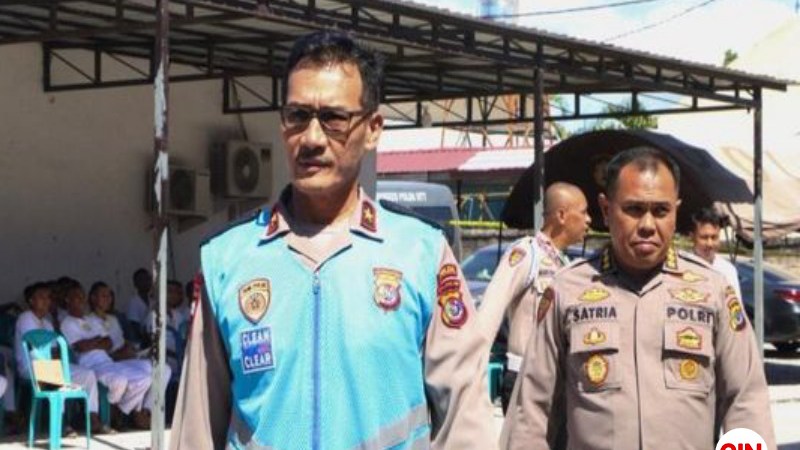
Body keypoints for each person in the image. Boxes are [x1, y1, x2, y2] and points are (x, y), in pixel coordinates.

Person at [170, 30, 495, 450]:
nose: (312, 138)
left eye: (334, 118)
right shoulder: (228, 260)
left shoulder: (420, 254)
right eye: (297, 115)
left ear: (373, 129)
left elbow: (465, 421)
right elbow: (197, 428)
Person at [505, 147, 775, 449]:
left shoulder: (712, 291)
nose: (647, 225)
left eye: (661, 211)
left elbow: (745, 402)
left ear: (676, 211)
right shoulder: (567, 290)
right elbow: (532, 411)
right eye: (633, 209)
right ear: (606, 210)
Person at [478, 182, 590, 412]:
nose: (589, 220)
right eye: (583, 212)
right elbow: (489, 313)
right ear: (561, 215)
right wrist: (474, 379)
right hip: (525, 379)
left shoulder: (564, 264)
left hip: (557, 378)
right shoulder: (527, 254)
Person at [13, 282, 112, 434]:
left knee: (88, 374)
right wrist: (56, 359)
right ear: (31, 301)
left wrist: (58, 359)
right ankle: (61, 423)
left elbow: (55, 350)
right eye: (41, 297)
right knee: (57, 378)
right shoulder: (26, 317)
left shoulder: (47, 323)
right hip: (31, 367)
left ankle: (92, 418)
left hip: (52, 366)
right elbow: (37, 347)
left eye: (48, 298)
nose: (46, 301)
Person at [60, 281, 156, 429]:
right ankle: (113, 413)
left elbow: (108, 342)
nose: (82, 300)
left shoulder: (91, 320)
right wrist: (97, 341)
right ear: (68, 300)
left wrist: (92, 342)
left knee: (145, 378)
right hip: (90, 365)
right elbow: (81, 347)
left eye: (82, 297)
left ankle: (119, 411)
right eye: (77, 297)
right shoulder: (67, 322)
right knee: (119, 381)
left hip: (107, 361)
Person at [690, 206, 743, 300]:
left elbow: (736, 305)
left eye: (714, 237)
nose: (710, 244)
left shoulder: (728, 271)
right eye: (704, 237)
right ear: (692, 237)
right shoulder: (683, 267)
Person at [126, 268, 152, 342]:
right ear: (135, 284)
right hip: (141, 340)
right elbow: (134, 328)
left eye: (147, 279)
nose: (145, 282)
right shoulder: (133, 302)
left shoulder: (153, 301)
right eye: (141, 280)